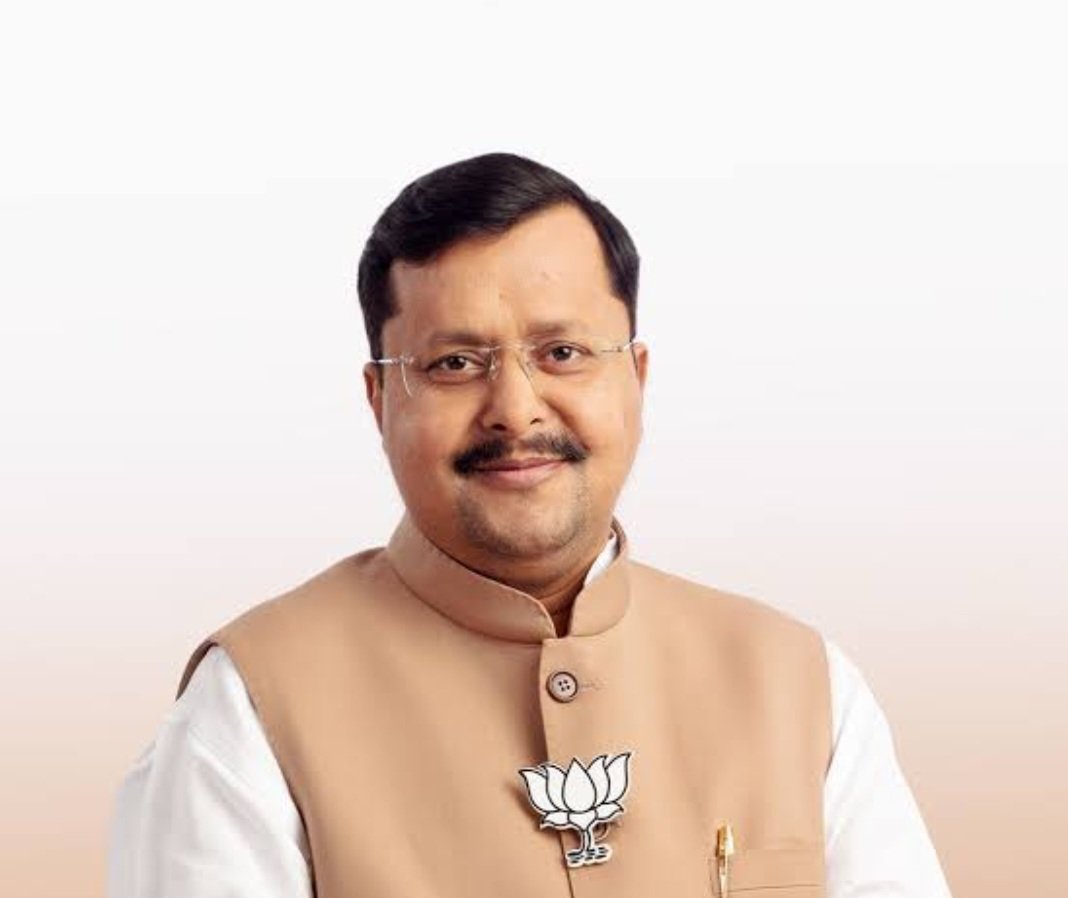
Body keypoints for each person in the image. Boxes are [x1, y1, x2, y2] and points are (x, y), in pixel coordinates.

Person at [107, 152, 954, 897]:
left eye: (562, 354)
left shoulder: (802, 687)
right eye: (454, 363)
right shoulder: (250, 709)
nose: (515, 409)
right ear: (380, 398)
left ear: (637, 378)